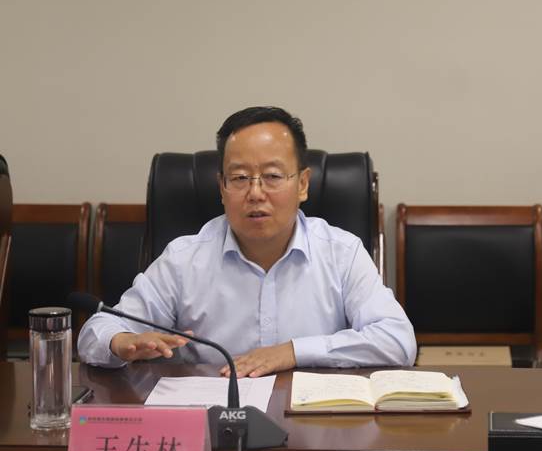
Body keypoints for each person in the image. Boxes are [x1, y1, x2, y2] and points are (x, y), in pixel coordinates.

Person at [78, 107, 416, 376]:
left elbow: (398, 341)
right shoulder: (184, 259)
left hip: (313, 424)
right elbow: (97, 330)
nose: (255, 193)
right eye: (239, 178)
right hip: (212, 424)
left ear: (302, 184)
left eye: (272, 176)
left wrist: (292, 352)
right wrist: (122, 342)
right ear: (222, 187)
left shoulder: (341, 253)